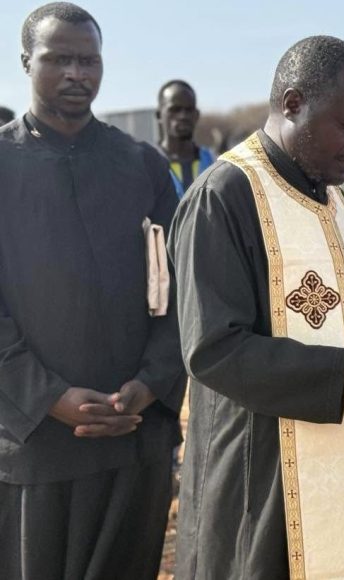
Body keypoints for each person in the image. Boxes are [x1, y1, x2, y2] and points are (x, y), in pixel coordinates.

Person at [170, 36, 344, 579]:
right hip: (263, 471)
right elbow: (214, 350)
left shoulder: (330, 195)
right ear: (294, 103)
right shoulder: (225, 194)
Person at [0, 4, 186, 579]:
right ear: (26, 62)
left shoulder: (142, 165)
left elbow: (181, 291)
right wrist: (48, 396)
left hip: (135, 433)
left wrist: (150, 385)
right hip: (36, 440)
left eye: (89, 61)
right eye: (59, 59)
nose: (76, 74)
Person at [156, 79, 215, 199]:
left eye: (189, 110)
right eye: (175, 109)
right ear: (159, 115)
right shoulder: (147, 166)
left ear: (196, 115)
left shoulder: (214, 163)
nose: (183, 116)